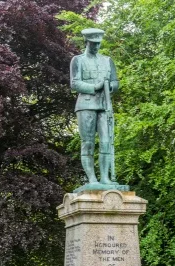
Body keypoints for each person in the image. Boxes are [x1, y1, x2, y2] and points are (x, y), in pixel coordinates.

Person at [70, 28, 119, 186]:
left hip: (105, 105)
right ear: (86, 42)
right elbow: (74, 83)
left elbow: (115, 81)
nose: (96, 46)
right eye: (93, 43)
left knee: (106, 141)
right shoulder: (77, 60)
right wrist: (95, 87)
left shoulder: (107, 60)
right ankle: (92, 179)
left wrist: (111, 86)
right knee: (88, 142)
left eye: (98, 43)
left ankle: (104, 177)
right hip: (86, 104)